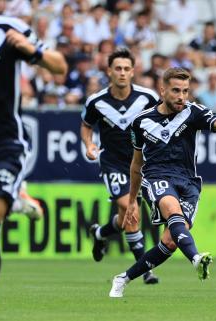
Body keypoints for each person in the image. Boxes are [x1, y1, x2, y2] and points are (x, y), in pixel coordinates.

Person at [108, 67, 216, 298]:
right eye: (176, 91)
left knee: (170, 242)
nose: (181, 96)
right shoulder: (141, 122)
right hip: (157, 177)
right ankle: (196, 258)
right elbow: (135, 165)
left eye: (185, 91)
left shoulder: (193, 113)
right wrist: (132, 201)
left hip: (189, 182)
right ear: (163, 90)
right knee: (172, 210)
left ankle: (123, 278)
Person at [0, 1, 67, 321]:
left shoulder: (7, 29)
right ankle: (16, 200)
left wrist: (32, 51)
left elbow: (59, 65)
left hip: (2, 147)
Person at [80, 48, 160, 284]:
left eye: (126, 69)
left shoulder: (148, 97)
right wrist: (89, 144)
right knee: (129, 207)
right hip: (112, 163)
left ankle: (100, 233)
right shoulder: (96, 101)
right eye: (118, 69)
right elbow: (86, 125)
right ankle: (145, 269)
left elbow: (163, 119)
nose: (122, 73)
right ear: (109, 72)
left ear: (133, 72)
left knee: (125, 215)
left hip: (141, 163)